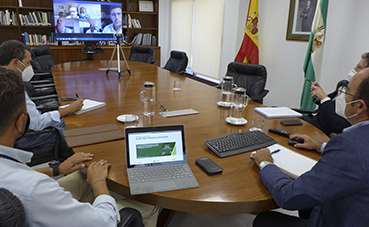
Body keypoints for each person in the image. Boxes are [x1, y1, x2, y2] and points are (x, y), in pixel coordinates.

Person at [0, 67, 158, 226]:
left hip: (32, 198)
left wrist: (56, 170)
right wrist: (99, 184)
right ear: (21, 123)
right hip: (53, 207)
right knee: (150, 203)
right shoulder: (35, 188)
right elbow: (104, 222)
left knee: (84, 172)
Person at [252, 68, 369, 227]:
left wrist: (266, 164)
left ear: (360, 107)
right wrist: (321, 146)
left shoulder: (350, 146)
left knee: (264, 220)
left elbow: (289, 196)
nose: (341, 97)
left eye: (346, 92)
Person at [0, 40, 82, 157]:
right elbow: (37, 124)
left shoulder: (5, 80)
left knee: (66, 121)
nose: (30, 67)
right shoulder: (12, 87)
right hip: (22, 138)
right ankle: (74, 163)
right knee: (73, 128)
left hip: (14, 135)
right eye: (28, 63)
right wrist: (68, 110)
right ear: (16, 62)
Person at [305, 52, 369, 136]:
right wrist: (318, 94)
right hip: (313, 120)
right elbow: (329, 104)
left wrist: (324, 98)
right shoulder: (343, 85)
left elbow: (341, 125)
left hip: (322, 133)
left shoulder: (362, 99)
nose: (354, 69)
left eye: (358, 68)